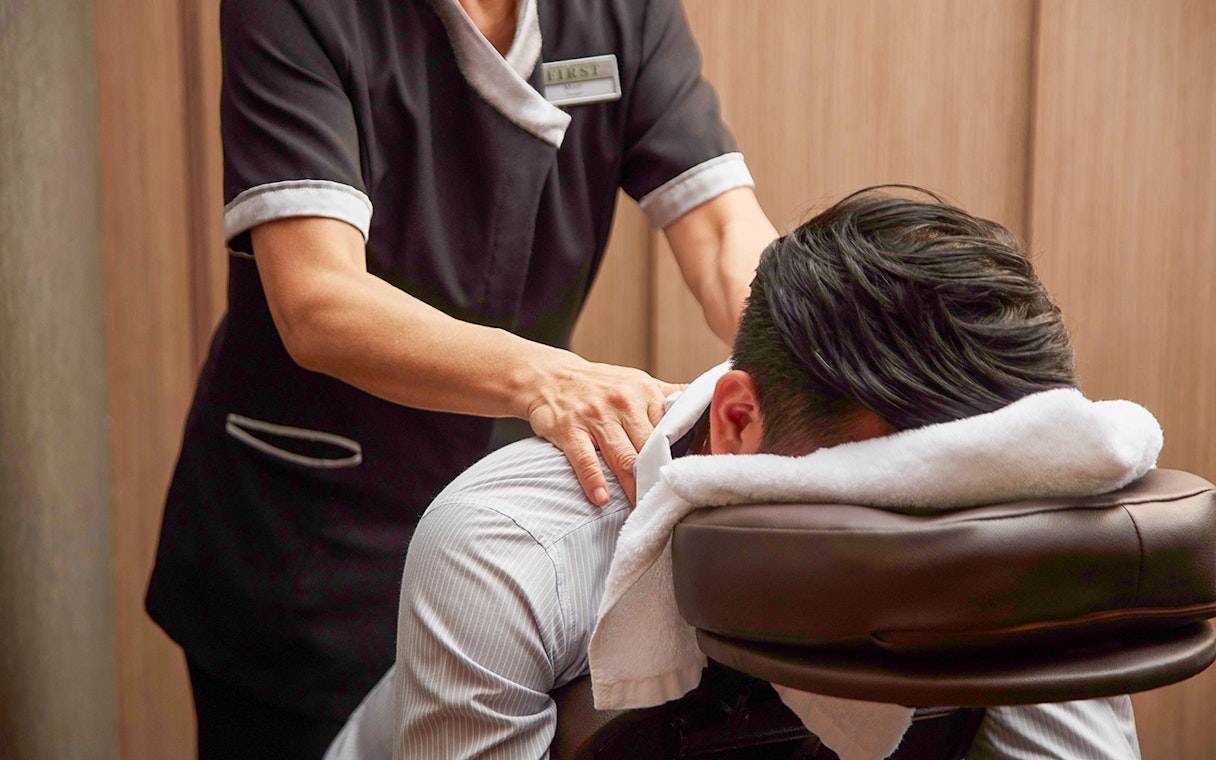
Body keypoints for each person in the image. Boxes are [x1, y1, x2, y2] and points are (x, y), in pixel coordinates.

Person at [144, 0, 778, 756]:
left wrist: (803, 348)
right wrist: (551, 380)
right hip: (310, 543)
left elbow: (721, 231)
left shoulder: (625, 13)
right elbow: (317, 299)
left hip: (498, 543)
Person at [325, 187, 1144, 759]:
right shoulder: (509, 549)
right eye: (893, 502)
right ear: (737, 422)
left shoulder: (1020, 520)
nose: (938, 550)